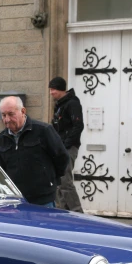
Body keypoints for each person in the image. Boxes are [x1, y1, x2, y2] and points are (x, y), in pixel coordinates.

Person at [0, 96, 68, 208]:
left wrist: (50, 180)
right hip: (17, 201)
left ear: (23, 111)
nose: (7, 119)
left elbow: (62, 157)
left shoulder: (43, 131)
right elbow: (3, 169)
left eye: (11, 114)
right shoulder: (1, 139)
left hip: (43, 200)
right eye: (3, 115)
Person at [49, 77, 84, 213]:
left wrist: (65, 145)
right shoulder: (59, 105)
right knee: (59, 183)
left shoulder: (72, 104)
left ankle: (78, 213)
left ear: (61, 89)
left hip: (67, 148)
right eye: (50, 89)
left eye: (53, 89)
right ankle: (64, 212)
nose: (51, 92)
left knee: (65, 182)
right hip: (60, 148)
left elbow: (78, 126)